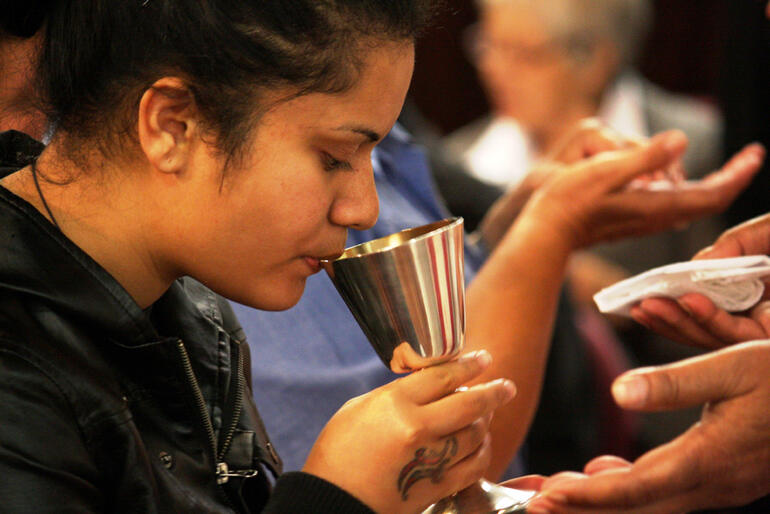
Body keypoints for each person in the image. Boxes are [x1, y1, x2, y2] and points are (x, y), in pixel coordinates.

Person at [0, 1, 523, 512]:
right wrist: (332, 497)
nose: (365, 209)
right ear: (172, 126)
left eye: (373, 157)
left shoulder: (194, 312)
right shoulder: (17, 371)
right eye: (334, 157)